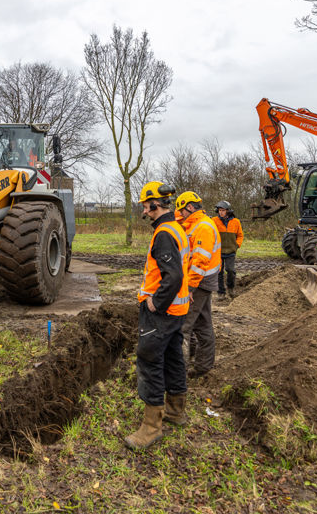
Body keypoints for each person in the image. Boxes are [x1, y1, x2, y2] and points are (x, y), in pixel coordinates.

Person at [125, 181, 190, 450]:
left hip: (163, 312)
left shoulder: (164, 233)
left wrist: (157, 303)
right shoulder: (177, 228)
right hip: (178, 310)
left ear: (155, 204)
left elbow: (172, 276)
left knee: (149, 359)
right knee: (173, 357)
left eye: (145, 205)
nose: (144, 210)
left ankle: (151, 428)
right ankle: (176, 411)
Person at [175, 191, 221, 379]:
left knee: (183, 327)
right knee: (203, 324)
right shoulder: (197, 224)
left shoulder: (203, 227)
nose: (181, 214)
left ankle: (178, 372)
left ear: (190, 207)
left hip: (199, 282)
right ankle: (203, 366)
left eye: (182, 211)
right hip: (202, 281)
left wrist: (190, 288)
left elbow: (200, 262)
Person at [213, 200, 243, 298]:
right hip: (218, 251)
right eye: (219, 210)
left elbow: (240, 235)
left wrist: (236, 245)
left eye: (223, 210)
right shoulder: (214, 221)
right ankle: (221, 292)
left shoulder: (236, 222)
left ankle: (231, 288)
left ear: (228, 211)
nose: (221, 212)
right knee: (219, 272)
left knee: (230, 270)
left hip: (231, 251)